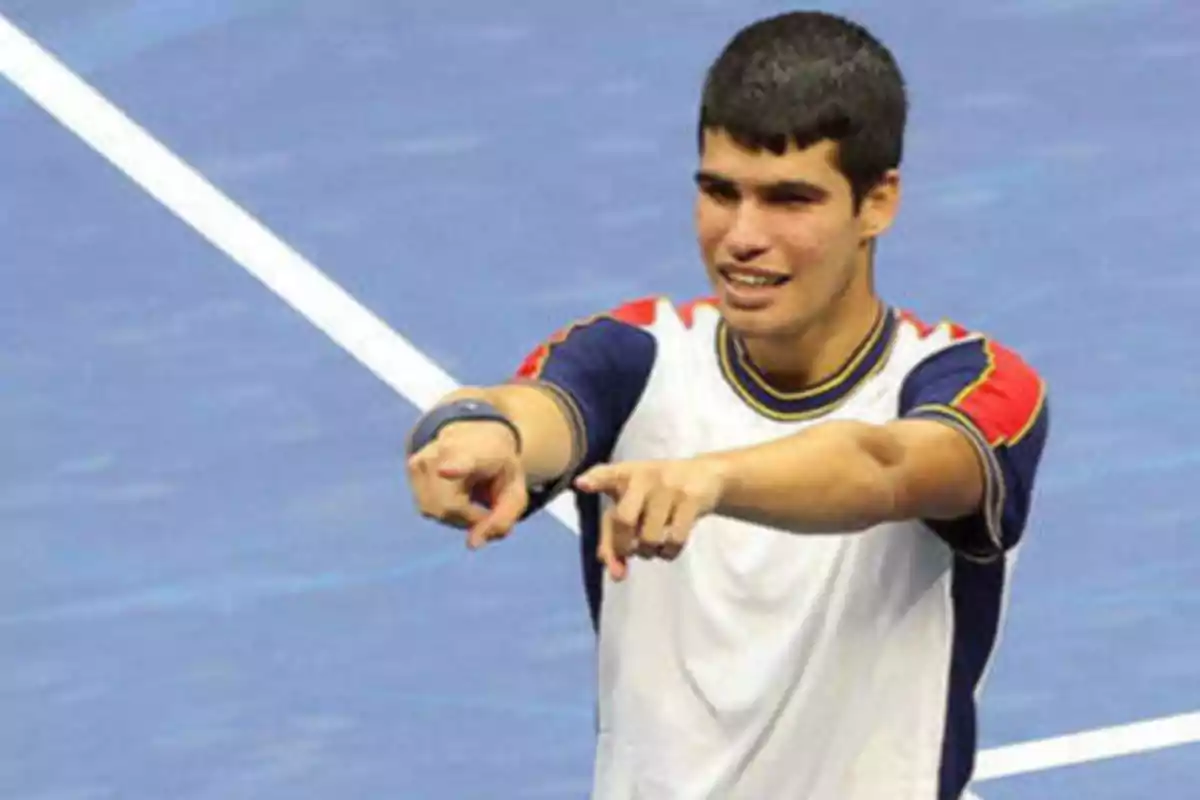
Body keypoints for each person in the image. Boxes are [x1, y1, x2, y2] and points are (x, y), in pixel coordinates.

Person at [405, 10, 1049, 800]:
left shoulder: (971, 382)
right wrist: (470, 433)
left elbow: (884, 465)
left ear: (877, 203)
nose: (742, 236)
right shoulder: (635, 354)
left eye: (790, 200)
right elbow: (531, 412)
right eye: (719, 192)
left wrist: (711, 480)